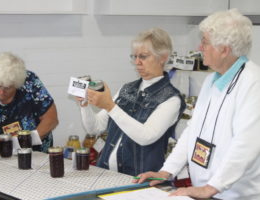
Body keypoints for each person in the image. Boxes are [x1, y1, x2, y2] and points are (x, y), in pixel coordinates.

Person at [134, 9, 260, 200]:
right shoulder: (211, 81)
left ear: (224, 50)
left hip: (235, 195)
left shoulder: (253, 83)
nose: (200, 48)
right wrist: (167, 171)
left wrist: (211, 188)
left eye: (205, 42)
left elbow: (247, 144)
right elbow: (193, 131)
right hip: (207, 192)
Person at [76, 27, 185, 176]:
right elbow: (94, 128)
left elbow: (146, 136)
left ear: (163, 57)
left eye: (144, 56)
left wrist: (110, 106)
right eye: (134, 56)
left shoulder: (171, 99)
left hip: (139, 179)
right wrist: (85, 104)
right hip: (106, 173)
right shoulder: (127, 89)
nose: (137, 62)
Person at [0, 52, 59, 153]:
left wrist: (26, 140)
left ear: (17, 84)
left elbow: (51, 120)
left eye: (7, 88)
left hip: (35, 153)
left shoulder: (30, 83)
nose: (1, 92)